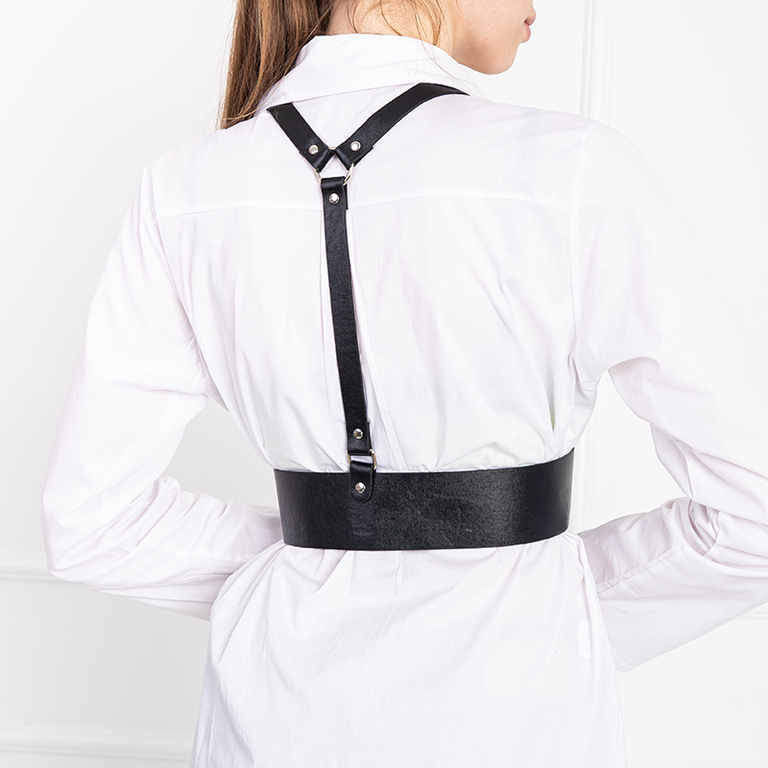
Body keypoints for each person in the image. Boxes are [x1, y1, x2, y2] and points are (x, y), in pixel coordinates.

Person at [41, 0, 768, 765]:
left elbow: (91, 521)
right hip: (518, 720)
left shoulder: (184, 189)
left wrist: (316, 561)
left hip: (272, 719)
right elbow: (755, 513)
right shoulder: (574, 169)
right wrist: (551, 598)